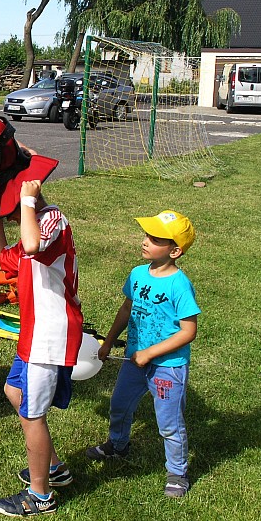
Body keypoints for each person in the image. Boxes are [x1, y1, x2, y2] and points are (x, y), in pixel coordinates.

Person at [0, 173, 83, 517]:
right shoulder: (29, 224)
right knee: (15, 393)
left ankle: (40, 496)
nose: (14, 219)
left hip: (51, 334)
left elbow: (30, 245)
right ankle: (54, 468)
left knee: (32, 414)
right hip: (33, 333)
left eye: (13, 212)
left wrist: (27, 200)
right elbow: (3, 258)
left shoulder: (52, 219)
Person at [86, 210, 200, 498]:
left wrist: (150, 353)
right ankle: (118, 445)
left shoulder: (179, 284)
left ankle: (177, 472)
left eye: (155, 238)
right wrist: (109, 341)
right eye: (147, 235)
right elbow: (126, 310)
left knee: (169, 424)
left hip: (167, 367)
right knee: (119, 406)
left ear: (174, 251)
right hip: (134, 361)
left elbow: (188, 332)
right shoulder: (137, 274)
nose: (146, 241)